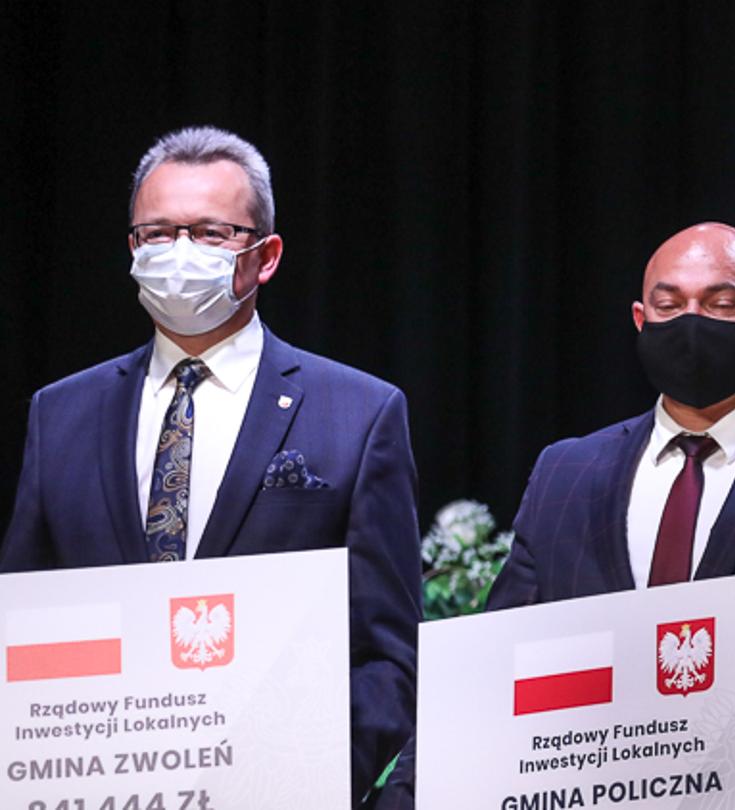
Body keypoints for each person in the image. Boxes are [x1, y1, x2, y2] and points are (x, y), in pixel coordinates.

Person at [381, 223, 735, 810]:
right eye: (669, 305)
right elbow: (496, 667)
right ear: (640, 319)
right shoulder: (568, 472)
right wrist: (404, 794)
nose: (691, 322)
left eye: (721, 304)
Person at [0, 126, 420, 806]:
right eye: (158, 234)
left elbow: (389, 654)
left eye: (209, 233)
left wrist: (304, 775)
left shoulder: (359, 413)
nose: (179, 253)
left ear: (266, 255)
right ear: (133, 250)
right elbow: (23, 629)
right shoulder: (62, 413)